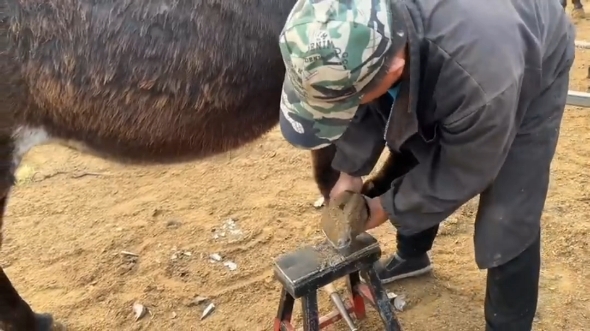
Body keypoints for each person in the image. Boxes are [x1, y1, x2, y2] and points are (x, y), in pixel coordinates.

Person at [277, 0, 575, 329]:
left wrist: (381, 208)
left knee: (509, 207)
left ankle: (508, 323)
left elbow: (463, 169)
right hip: (448, 48)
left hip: (532, 54)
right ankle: (413, 254)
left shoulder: (483, 80)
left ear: (393, 68)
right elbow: (358, 99)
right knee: (411, 136)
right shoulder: (353, 19)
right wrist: (350, 172)